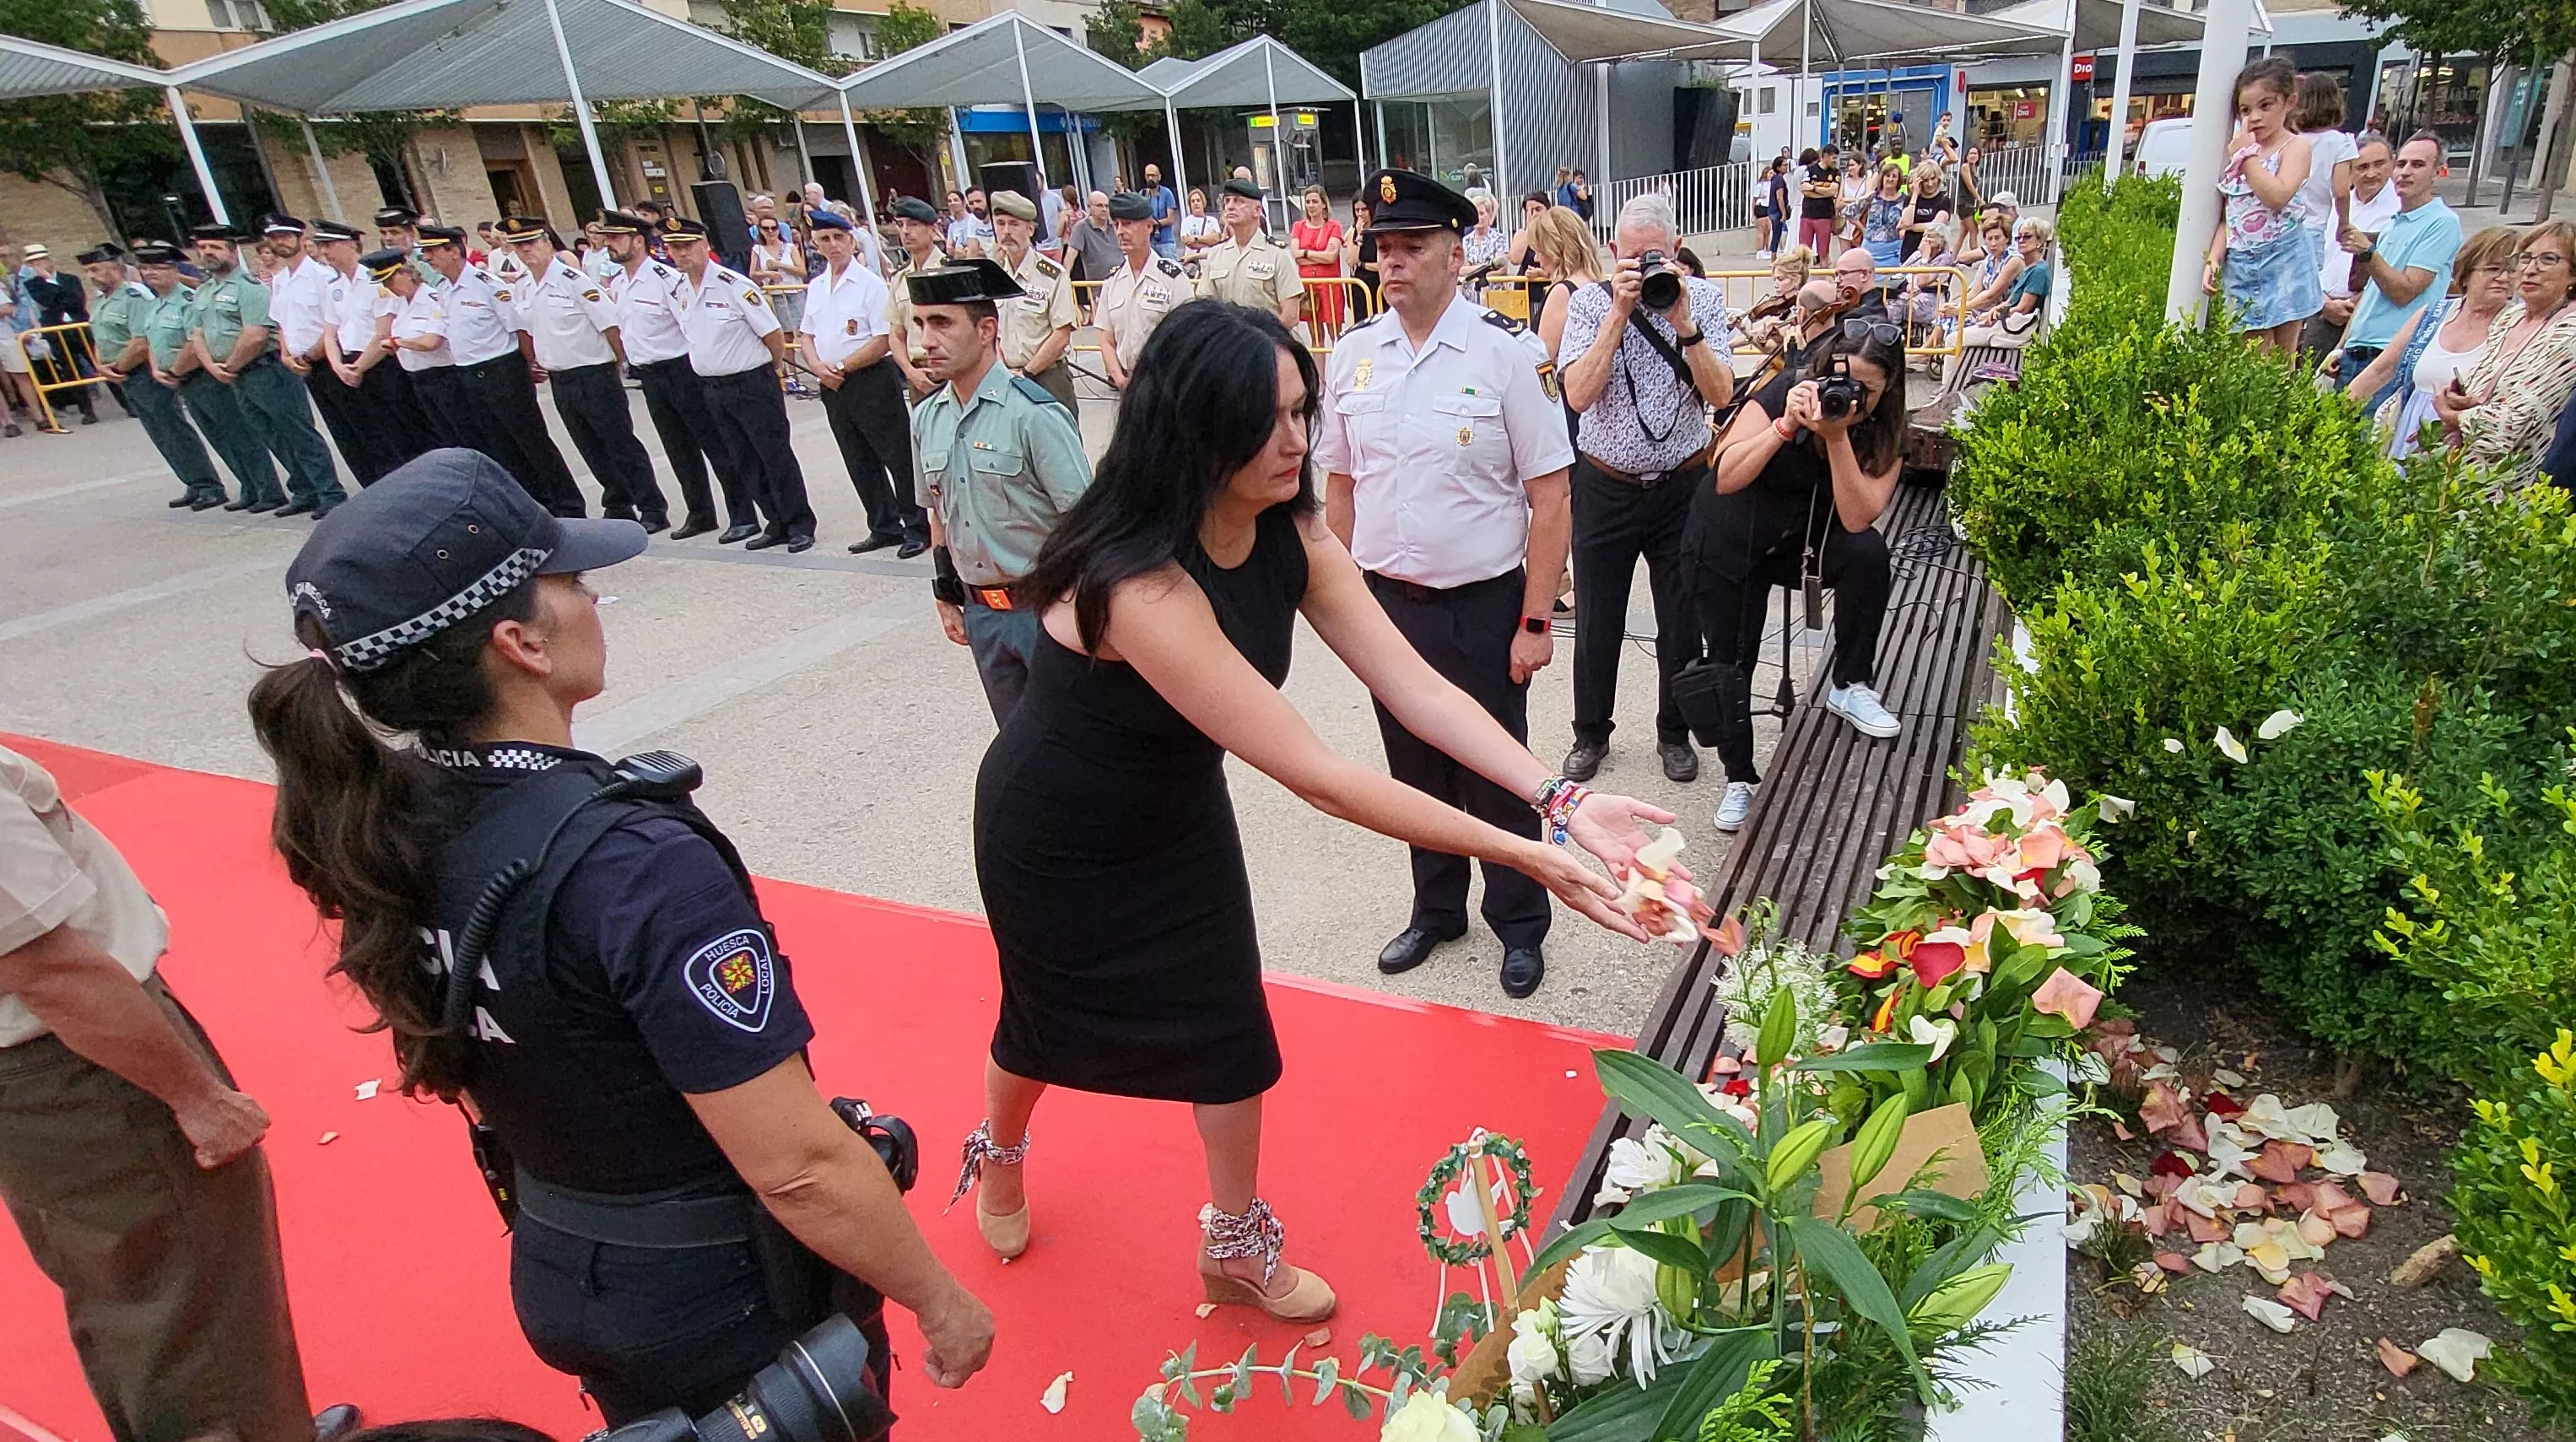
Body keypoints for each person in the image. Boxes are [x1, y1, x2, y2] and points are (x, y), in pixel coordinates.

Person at [953, 298, 1676, 1324]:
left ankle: (1232, 1245)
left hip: (1175, 807)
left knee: (1229, 1025)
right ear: (1195, 427)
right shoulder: (1139, 580)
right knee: (1040, 1018)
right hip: (1059, 829)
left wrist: (1556, 799)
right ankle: (1002, 1147)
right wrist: (1530, 853)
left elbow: (1416, 686)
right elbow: (1316, 772)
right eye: (1270, 420)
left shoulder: (1290, 526)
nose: (1299, 441)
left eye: (1304, 410)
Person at [246, 451, 997, 1422]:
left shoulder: (387, 811)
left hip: (570, 1246)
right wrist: (939, 1298)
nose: (591, 595)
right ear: (520, 640)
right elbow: (799, 1165)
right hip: (719, 1292)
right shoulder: (629, 859)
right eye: (567, 579)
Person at [1, 743, 332, 1442]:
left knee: (134, 1299)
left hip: (53, 1065)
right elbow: (48, 969)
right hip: (77, 1065)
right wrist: (197, 1096)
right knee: (193, 1312)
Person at [1313, 170, 1577, 997]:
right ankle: (1437, 909)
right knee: (1412, 771)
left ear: (1453, 255)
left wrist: (1536, 619)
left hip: (1483, 604)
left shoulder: (1507, 352)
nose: (1391, 263)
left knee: (1496, 773)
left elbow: (1550, 495)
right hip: (1388, 605)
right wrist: (1337, 604)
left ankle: (1519, 921)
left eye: (1411, 247)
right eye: (1382, 249)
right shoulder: (1354, 356)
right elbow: (1340, 491)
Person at [1693, 321, 1907, 832]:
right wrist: (1784, 427)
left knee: (1868, 555)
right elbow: (1724, 475)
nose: (1847, 394)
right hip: (1731, 536)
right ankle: (1739, 777)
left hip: (1804, 538)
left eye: (1865, 390)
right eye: (1843, 380)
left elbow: (1858, 517)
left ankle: (1851, 683)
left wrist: (1837, 438)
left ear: (1887, 392)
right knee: (1732, 659)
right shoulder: (1788, 389)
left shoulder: (1887, 429)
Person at [1558, 193, 1737, 786]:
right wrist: (1618, 311)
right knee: (1597, 620)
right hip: (1605, 482)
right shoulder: (1586, 304)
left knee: (1680, 619)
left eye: (1654, 256)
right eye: (1633, 258)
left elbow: (1719, 394)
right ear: (1613, 253)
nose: (1645, 267)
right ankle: (1590, 732)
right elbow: (1577, 394)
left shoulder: (1703, 300)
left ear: (1676, 246)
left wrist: (1683, 324)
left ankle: (1673, 732)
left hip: (1681, 483)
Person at [910, 259, 1093, 721]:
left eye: (942, 323)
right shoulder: (927, 419)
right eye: (920, 324)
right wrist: (946, 594)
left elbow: (1086, 523)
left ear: (988, 328)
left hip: (1047, 612)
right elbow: (938, 514)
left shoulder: (1034, 415)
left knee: (1078, 747)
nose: (927, 340)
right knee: (1019, 750)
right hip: (983, 616)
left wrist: (1080, 613)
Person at [500, 218, 670, 531]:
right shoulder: (523, 286)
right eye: (519, 246)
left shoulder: (573, 280)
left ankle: (652, 506)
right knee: (588, 446)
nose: (526, 251)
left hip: (594, 373)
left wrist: (616, 363)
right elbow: (528, 330)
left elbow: (610, 327)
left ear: (547, 244)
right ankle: (619, 503)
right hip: (561, 377)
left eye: (532, 243)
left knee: (620, 443)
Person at [600, 211, 756, 543]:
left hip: (681, 370)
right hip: (651, 376)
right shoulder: (620, 283)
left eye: (615, 238)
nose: (608, 245)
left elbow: (690, 323)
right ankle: (700, 512)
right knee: (678, 448)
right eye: (607, 238)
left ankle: (743, 513)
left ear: (637, 240)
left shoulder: (665, 279)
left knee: (715, 445)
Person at [666, 217, 818, 553]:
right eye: (673, 248)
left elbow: (773, 335)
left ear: (705, 246)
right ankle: (774, 522)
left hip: (751, 381)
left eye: (687, 246)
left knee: (774, 455)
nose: (680, 254)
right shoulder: (679, 290)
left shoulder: (732, 284)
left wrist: (772, 368)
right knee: (743, 458)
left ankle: (798, 523)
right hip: (713, 387)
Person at [414, 225, 587, 518]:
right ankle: (532, 504)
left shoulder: (487, 284)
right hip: (468, 373)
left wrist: (529, 363)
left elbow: (519, 328)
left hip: (501, 370)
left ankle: (567, 505)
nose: (427, 258)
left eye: (432, 251)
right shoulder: (443, 289)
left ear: (453, 251)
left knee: (530, 441)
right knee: (499, 446)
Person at [187, 223, 348, 518]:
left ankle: (330, 492)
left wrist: (230, 365)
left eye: (215, 247)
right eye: (202, 247)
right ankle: (304, 490)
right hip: (240, 374)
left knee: (297, 432)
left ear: (232, 251)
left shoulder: (249, 288)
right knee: (271, 434)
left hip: (266, 369)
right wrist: (214, 367)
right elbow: (198, 333)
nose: (207, 253)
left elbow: (257, 335)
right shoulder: (207, 291)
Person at [798, 208, 929, 559]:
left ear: (852, 241)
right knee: (857, 457)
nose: (832, 245)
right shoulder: (817, 286)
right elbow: (806, 334)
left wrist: (840, 366)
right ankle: (882, 525)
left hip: (870, 379)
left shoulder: (870, 284)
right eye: (824, 239)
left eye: (838, 238)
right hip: (832, 384)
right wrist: (816, 367)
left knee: (896, 455)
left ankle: (916, 526)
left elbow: (882, 338)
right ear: (815, 244)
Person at [2427, 221, 2576, 491]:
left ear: (2573, 274)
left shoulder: (2570, 332)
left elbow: (2513, 425)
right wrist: (2455, 399)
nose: (2531, 269)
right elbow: (2481, 390)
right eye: (2525, 258)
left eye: (2548, 259)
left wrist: (2455, 417)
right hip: (2458, 475)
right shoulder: (2511, 317)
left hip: (2508, 493)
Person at [2346, 224, 2516, 460]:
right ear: (2466, 274)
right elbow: (2380, 370)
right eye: (2493, 269)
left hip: (2465, 449)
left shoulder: (2516, 326)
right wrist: (2330, 416)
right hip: (2409, 435)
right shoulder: (2434, 314)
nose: (2504, 278)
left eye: (2512, 271)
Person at [87, 243, 224, 508]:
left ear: (115, 268)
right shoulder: (101, 301)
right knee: (159, 432)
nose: (91, 276)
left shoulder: (134, 298)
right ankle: (192, 482)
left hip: (140, 372)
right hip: (123, 375)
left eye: (96, 269)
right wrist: (101, 366)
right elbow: (100, 337)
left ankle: (207, 484)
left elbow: (140, 342)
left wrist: (117, 368)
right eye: (88, 271)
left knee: (173, 429)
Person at [2200, 57, 2318, 353]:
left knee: (2283, 360)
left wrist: (2247, 158)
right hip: (2242, 263)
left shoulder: (2295, 147)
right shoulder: (2239, 155)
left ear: (2288, 102)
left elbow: (2277, 196)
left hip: (2285, 256)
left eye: (2266, 106)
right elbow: (2231, 218)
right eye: (2245, 110)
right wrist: (2214, 260)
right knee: (2254, 358)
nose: (2254, 118)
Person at [306, 220, 437, 487]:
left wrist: (358, 368)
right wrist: (338, 366)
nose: (325, 252)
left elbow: (382, 333)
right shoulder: (335, 287)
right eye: (321, 246)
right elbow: (330, 332)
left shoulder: (377, 280)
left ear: (351, 245)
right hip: (348, 364)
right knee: (370, 435)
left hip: (380, 364)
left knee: (401, 432)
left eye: (330, 245)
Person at [143, 242, 272, 509]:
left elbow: (193, 341)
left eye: (158, 267)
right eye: (145, 268)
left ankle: (266, 488)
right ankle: (249, 487)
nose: (150, 273)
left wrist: (176, 370)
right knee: (220, 438)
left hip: (204, 376)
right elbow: (152, 341)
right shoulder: (155, 304)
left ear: (175, 270)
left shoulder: (188, 299)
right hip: (184, 380)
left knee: (239, 434)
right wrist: (157, 368)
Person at [2335, 132, 2461, 401]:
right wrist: (2340, 347)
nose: (2405, 172)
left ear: (2438, 172)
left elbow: (2404, 291)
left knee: (2371, 440)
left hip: (2390, 357)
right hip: (2354, 354)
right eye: (2401, 164)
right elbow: (2371, 294)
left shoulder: (2443, 223)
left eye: (2417, 165)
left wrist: (2368, 252)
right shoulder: (2393, 223)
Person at [986, 191, 1082, 414]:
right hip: (1007, 377)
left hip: (1047, 376)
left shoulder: (1052, 275)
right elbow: (993, 332)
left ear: (1030, 229)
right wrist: (1003, 371)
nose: (1007, 231)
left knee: (1060, 446)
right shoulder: (995, 276)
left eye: (1014, 224)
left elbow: (1061, 333)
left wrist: (1027, 373)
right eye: (1000, 224)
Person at [2306, 131, 2396, 360]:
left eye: (2379, 164)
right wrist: (2323, 302)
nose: (2371, 174)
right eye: (2362, 167)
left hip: (2367, 318)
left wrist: (2353, 303)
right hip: (2321, 311)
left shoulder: (2399, 210)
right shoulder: (2335, 205)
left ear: (2392, 163)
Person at [376, 246, 476, 453]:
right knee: (441, 437)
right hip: (418, 378)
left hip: (443, 377)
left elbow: (432, 342)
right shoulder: (400, 304)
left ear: (406, 274)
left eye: (390, 280)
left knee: (462, 434)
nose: (388, 287)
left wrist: (399, 342)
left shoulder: (432, 298)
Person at [1095, 192, 1188, 394]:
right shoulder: (1112, 281)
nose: (1120, 231)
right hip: (1126, 384)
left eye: (1128, 224)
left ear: (1148, 226)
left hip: (1165, 385)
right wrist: (1119, 378)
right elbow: (1106, 339)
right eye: (1117, 224)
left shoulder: (1173, 278)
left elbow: (1186, 338)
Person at [1195, 176, 1304, 330]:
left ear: (1257, 210)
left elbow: (1290, 315)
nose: (1230, 207)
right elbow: (1206, 307)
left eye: (1238, 201)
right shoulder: (1216, 254)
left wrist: (1256, 343)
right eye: (1227, 201)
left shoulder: (1278, 254)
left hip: (1270, 346)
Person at [18, 243, 103, 425]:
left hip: (78, 326)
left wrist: (53, 285)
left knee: (98, 361)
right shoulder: (33, 285)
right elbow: (47, 301)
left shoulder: (70, 279)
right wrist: (50, 283)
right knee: (70, 369)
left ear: (48, 260)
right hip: (56, 331)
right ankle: (86, 410)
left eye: (40, 260)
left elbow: (76, 301)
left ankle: (126, 403)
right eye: (33, 263)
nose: (38, 265)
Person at [883, 196, 951, 402]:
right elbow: (896, 334)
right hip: (917, 373)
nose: (905, 231)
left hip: (950, 372)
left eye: (913, 225)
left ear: (932, 229)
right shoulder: (900, 278)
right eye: (900, 225)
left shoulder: (950, 271)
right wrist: (910, 372)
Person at [1958, 216, 2055, 354]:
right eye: (2019, 237)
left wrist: (1996, 314)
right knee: (1953, 326)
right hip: (2004, 321)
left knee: (1953, 338)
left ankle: (1951, 373)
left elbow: (2022, 309)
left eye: (2027, 237)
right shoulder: (2029, 267)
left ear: (2039, 241)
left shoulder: (2037, 271)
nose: (2021, 241)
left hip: (2012, 329)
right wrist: (1995, 310)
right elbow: (2010, 301)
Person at [1733, 246, 1812, 354]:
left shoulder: (1799, 309)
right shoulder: (1787, 307)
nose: (1776, 285)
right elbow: (1758, 332)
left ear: (1796, 280)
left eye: (1780, 279)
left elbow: (1770, 348)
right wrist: (1728, 344)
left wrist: (1744, 330)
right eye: (1775, 279)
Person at [1293, 186, 1348, 332]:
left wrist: (1305, 253)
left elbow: (1331, 257)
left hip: (1330, 286)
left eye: (1315, 201)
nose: (1311, 205)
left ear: (1324, 204)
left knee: (1335, 334)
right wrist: (1319, 256)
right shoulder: (1299, 227)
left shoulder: (1333, 227)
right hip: (1309, 286)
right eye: (1308, 202)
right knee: (1316, 338)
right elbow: (1296, 256)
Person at [1062, 190, 1124, 288]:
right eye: (1099, 206)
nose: (1104, 209)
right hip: (1099, 287)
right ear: (1089, 207)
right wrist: (1064, 282)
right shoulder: (1081, 227)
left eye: (1106, 206)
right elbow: (1070, 255)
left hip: (1122, 282)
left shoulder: (1116, 225)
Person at [1902, 165, 1953, 261]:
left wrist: (1912, 227)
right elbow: (1905, 223)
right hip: (1909, 251)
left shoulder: (1943, 200)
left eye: (1933, 179)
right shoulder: (1910, 199)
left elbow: (1935, 226)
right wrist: (1915, 195)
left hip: (1934, 255)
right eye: (1926, 180)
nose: (1930, 184)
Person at [1796, 148, 1838, 258]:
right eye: (1833, 158)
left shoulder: (1835, 172)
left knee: (1823, 253)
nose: (1835, 161)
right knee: (1804, 252)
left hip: (1825, 215)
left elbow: (1833, 191)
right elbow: (1805, 190)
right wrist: (1823, 191)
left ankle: (1824, 272)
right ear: (1825, 156)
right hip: (1808, 215)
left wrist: (1813, 189)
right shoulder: (1810, 170)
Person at [1461, 193, 1508, 281]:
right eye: (1476, 214)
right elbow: (1461, 270)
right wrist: (1487, 267)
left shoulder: (1499, 239)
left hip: (1493, 292)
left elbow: (1502, 270)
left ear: (1489, 215)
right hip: (1471, 292)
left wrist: (1473, 271)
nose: (1479, 218)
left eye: (1482, 213)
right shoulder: (1465, 241)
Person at [1347, 197, 1381, 308]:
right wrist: (1359, 234)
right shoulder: (1354, 231)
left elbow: (1382, 265)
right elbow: (1352, 261)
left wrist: (1362, 264)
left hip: (1378, 286)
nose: (1360, 214)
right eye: (1357, 210)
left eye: (1364, 209)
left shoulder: (1379, 232)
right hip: (1359, 287)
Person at [1142, 164, 1180, 257]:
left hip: (1166, 242)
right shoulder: (1143, 194)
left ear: (1159, 177)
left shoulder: (1167, 193)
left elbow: (1170, 219)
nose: (1150, 178)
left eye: (1153, 175)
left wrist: (1153, 223)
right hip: (1149, 242)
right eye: (1148, 176)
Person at [1179, 188, 1223, 259]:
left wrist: (1196, 239)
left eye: (1198, 200)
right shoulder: (1186, 221)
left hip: (1210, 259)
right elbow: (1188, 242)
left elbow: (1216, 239)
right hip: (1192, 261)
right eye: (1193, 201)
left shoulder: (1213, 221)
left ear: (1203, 202)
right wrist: (1208, 241)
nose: (1196, 203)